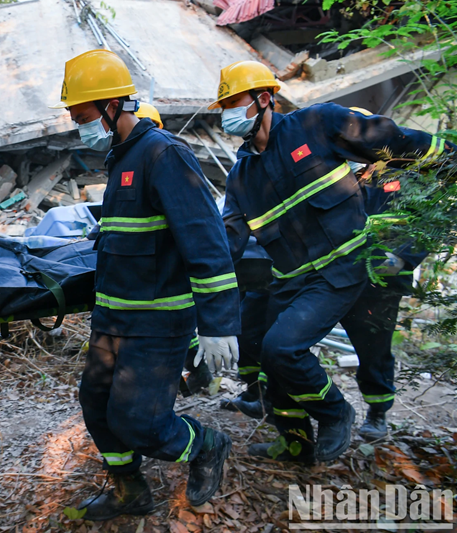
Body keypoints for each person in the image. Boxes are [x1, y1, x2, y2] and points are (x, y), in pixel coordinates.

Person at [214, 60, 451, 463]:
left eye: (233, 102)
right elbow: (226, 242)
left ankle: (339, 412)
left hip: (342, 270)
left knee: (292, 348)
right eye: (222, 107)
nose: (227, 115)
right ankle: (294, 443)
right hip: (290, 282)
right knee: (274, 366)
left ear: (265, 98)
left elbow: (394, 140)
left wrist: (449, 158)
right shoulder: (241, 177)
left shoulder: (317, 124)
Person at [50, 50, 241, 520]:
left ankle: (206, 446)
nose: (79, 125)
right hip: (114, 320)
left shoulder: (164, 154)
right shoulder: (122, 160)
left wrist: (217, 323)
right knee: (96, 406)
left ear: (114, 104)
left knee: (140, 421)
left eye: (83, 114)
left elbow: (206, 241)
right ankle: (129, 490)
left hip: (158, 322)